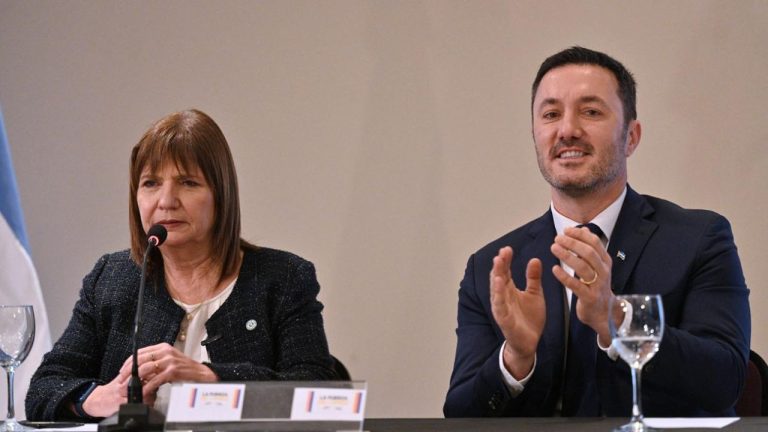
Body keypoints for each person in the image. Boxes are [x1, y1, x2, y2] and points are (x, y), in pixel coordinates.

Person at [444, 47, 750, 417]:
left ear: (631, 137)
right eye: (551, 114)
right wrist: (516, 359)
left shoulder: (698, 239)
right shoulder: (492, 269)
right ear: (535, 135)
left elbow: (725, 383)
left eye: (590, 112)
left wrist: (618, 319)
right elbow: (460, 416)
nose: (568, 130)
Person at [26, 109, 337, 421]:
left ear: (221, 195)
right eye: (150, 183)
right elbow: (45, 387)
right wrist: (97, 398)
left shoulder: (282, 279)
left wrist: (210, 379)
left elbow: (319, 396)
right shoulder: (112, 279)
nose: (166, 200)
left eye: (188, 182)